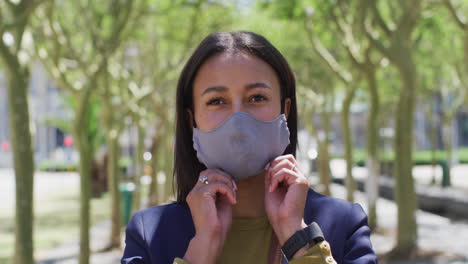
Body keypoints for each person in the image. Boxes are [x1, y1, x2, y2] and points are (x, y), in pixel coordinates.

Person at [121, 31, 378, 264]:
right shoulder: (149, 234)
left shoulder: (344, 224)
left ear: (284, 111)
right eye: (217, 101)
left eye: (257, 98)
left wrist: (300, 240)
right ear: (191, 120)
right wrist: (199, 252)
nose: (238, 121)